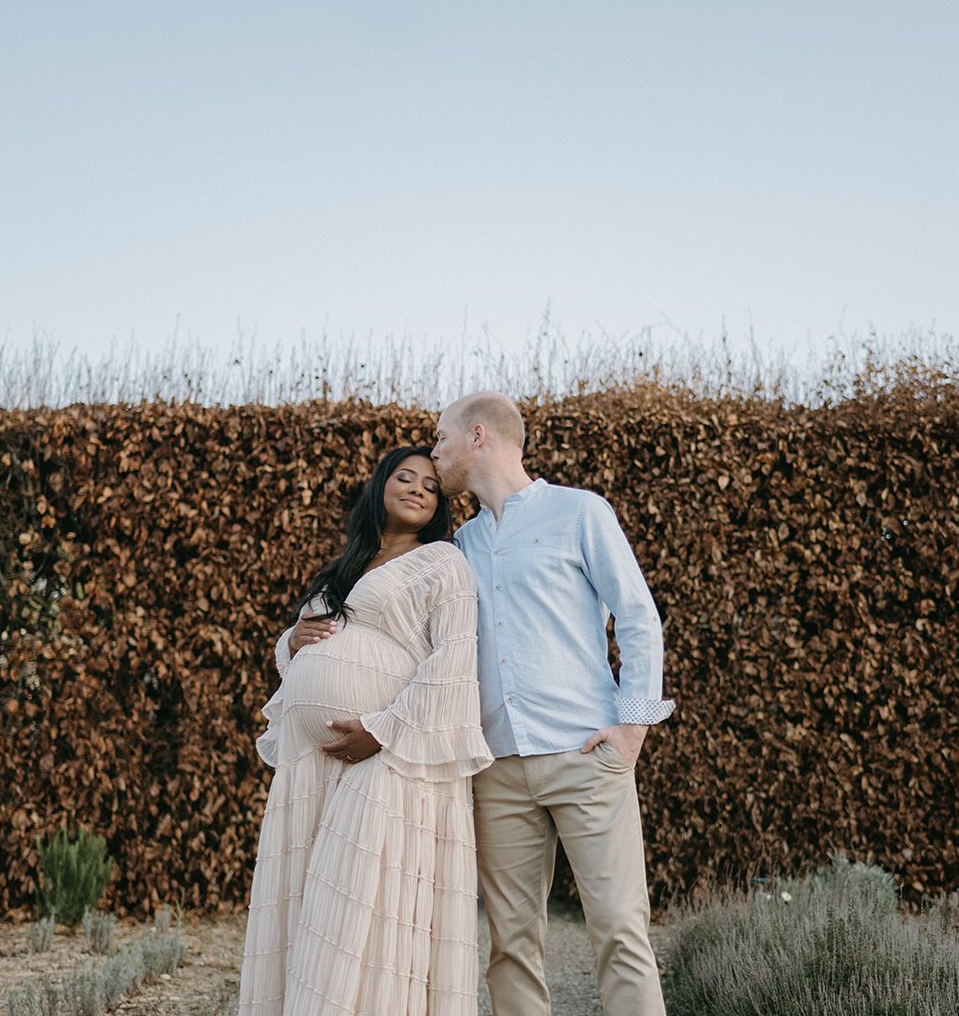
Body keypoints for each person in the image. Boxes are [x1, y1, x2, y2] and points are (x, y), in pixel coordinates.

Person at [431, 392, 674, 1015]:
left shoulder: (579, 512)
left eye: (440, 439)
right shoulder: (461, 544)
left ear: (477, 435)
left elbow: (639, 617)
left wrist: (632, 730)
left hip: (587, 757)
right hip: (499, 770)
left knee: (621, 930)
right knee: (510, 944)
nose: (434, 454)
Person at [238, 445, 492, 1016]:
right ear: (380, 486)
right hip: (312, 763)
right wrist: (290, 641)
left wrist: (381, 730)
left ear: (440, 507)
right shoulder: (344, 566)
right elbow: (309, 649)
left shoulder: (443, 564)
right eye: (404, 478)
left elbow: (454, 660)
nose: (418, 489)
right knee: (302, 904)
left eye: (430, 486)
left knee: (356, 907)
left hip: (385, 755)